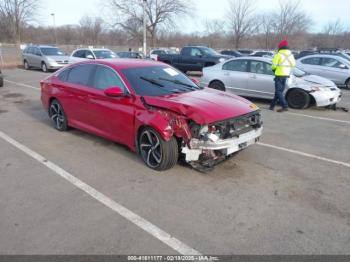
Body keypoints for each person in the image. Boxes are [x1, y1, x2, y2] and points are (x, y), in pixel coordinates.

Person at [270, 39, 296, 113]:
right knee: (279, 92)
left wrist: (274, 70)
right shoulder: (291, 55)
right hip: (286, 75)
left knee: (278, 91)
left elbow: (273, 66)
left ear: (280, 47)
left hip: (279, 75)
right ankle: (272, 106)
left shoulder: (278, 55)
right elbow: (293, 65)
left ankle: (285, 106)